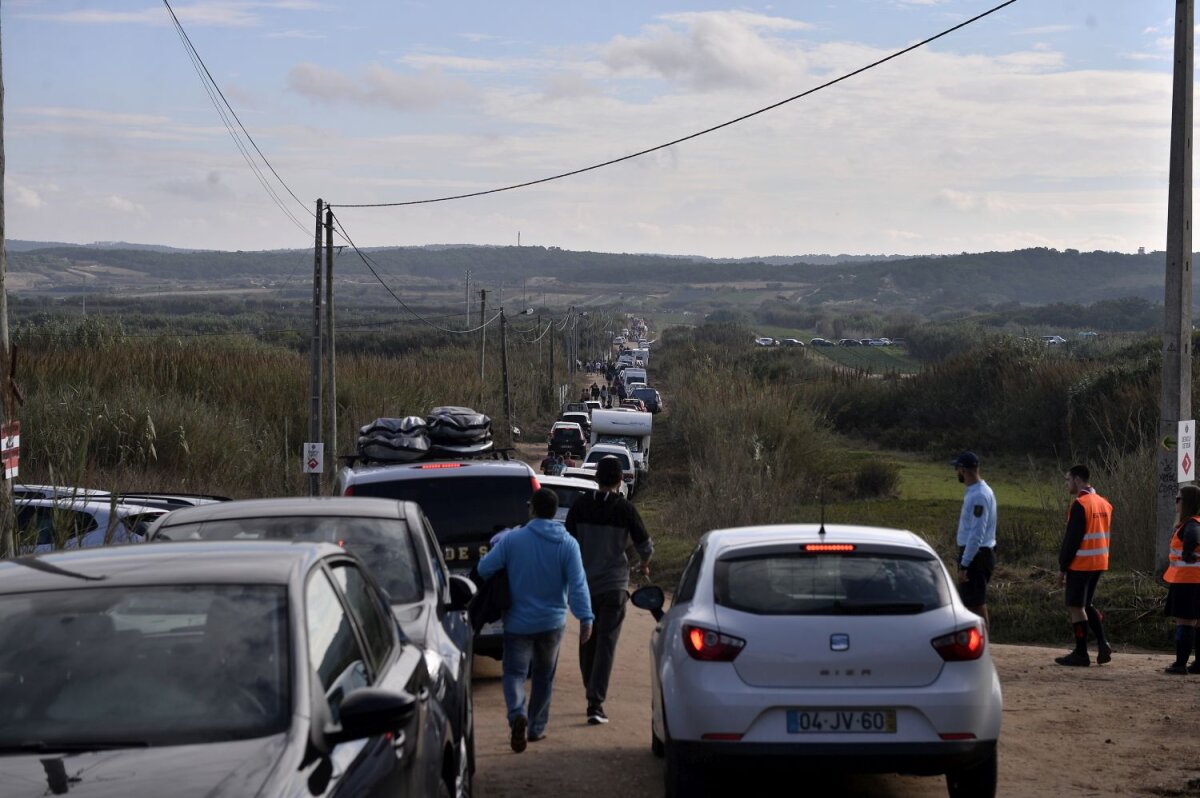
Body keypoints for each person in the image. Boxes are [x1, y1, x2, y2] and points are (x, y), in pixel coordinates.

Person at [477, 488, 593, 751]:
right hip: (552, 624)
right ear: (554, 512)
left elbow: (484, 569)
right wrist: (586, 617)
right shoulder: (568, 544)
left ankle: (517, 714)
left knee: (515, 674)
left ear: (532, 509)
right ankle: (536, 728)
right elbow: (578, 584)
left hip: (517, 623)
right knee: (543, 676)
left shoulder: (513, 540)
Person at [565, 456, 653, 725]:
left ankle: (590, 687)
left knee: (587, 638)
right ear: (620, 480)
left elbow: (568, 544)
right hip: (614, 586)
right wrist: (644, 565)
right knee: (607, 643)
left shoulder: (579, 507)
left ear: (595, 478)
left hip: (585, 586)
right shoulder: (625, 509)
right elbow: (646, 546)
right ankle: (595, 701)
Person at [1054, 464, 1114, 667]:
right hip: (1100, 561)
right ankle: (1102, 642)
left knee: (1076, 607)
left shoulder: (1080, 504)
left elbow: (1071, 540)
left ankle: (1081, 652)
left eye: (1067, 479)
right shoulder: (1104, 503)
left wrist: (1062, 567)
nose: (1066, 484)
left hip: (1081, 563)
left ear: (1078, 480)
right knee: (1086, 604)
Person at [952, 452, 997, 628]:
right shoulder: (978, 491)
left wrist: (965, 564)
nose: (957, 472)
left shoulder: (978, 495)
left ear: (963, 470)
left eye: (957, 469)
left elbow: (976, 533)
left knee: (975, 603)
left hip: (976, 555)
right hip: (978, 554)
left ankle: (983, 646)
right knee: (971, 601)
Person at [1163, 485, 1200, 674]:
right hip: (1195, 580)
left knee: (1184, 622)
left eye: (1178, 499)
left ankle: (1180, 664)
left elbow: (1193, 537)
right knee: (1197, 622)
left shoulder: (1191, 524)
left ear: (1187, 503)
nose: (1176, 502)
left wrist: (1187, 552)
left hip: (1187, 580)